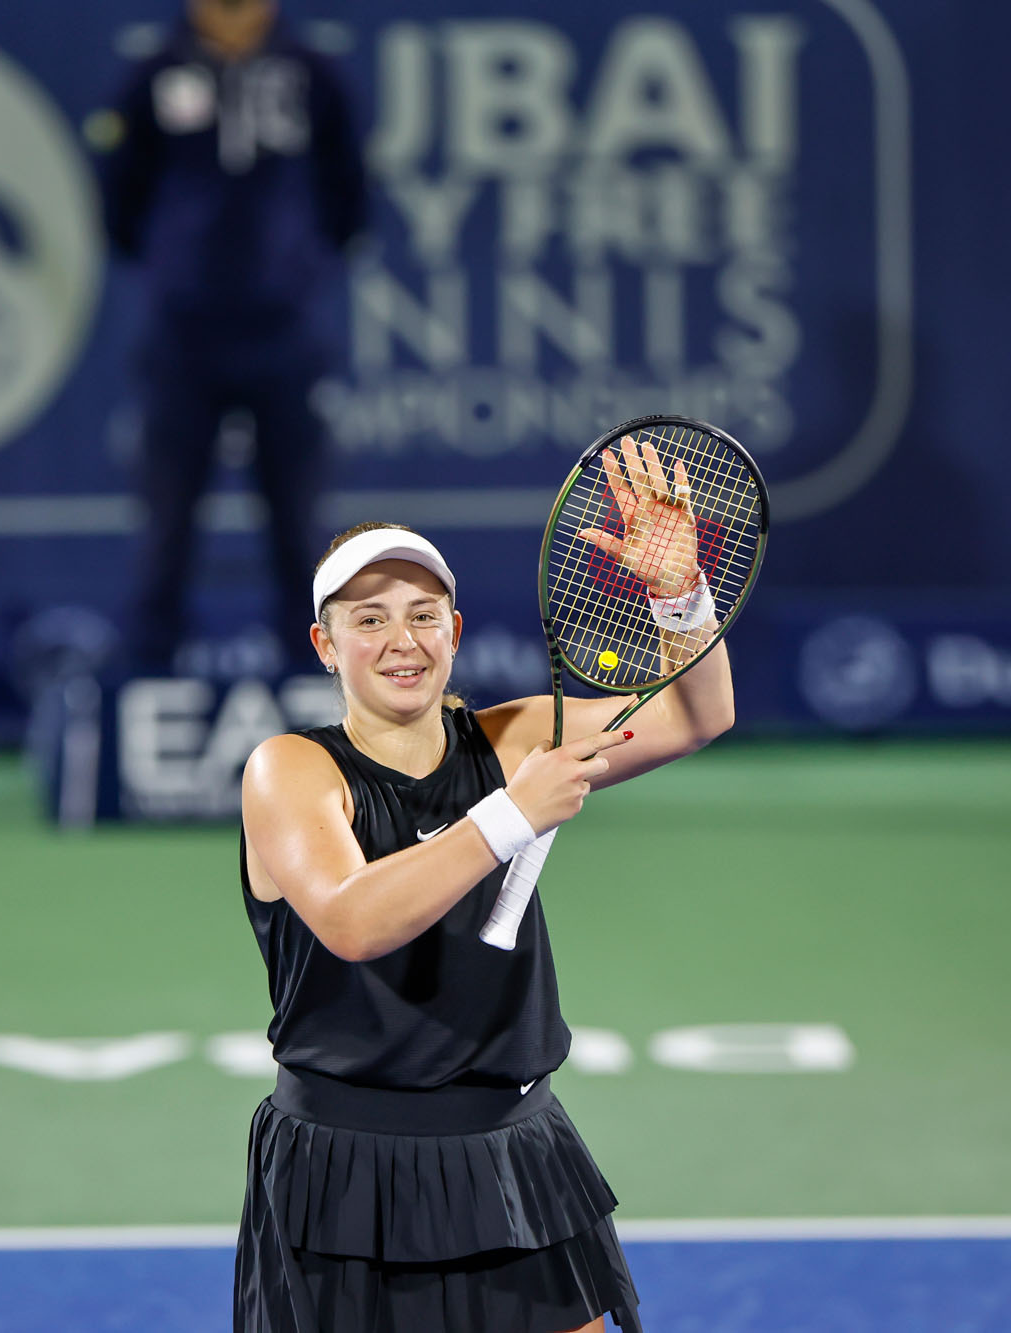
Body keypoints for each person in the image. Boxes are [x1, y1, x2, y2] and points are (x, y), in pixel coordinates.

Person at [235, 440, 738, 1332]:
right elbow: (353, 921)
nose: (403, 641)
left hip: (514, 1152)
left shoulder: (515, 737)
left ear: (455, 633)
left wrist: (679, 592)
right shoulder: (290, 770)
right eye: (370, 618)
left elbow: (699, 715)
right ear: (325, 643)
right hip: (351, 1171)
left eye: (425, 615)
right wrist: (511, 816)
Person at [93, 0, 366, 674]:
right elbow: (119, 201)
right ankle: (147, 688)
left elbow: (348, 200)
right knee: (166, 525)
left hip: (284, 334)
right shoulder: (154, 73)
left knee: (299, 527)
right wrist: (179, 268)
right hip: (183, 337)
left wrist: (291, 271)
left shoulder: (313, 74)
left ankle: (314, 696)